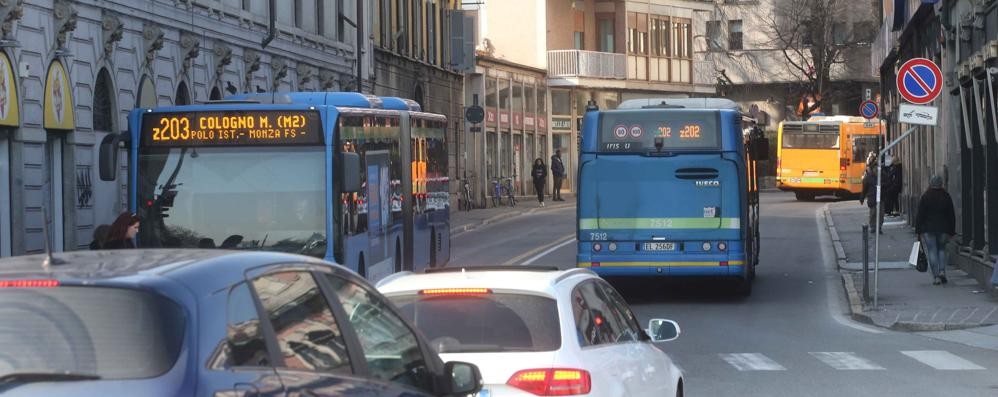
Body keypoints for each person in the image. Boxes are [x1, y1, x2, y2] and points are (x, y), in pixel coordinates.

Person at [915, 175, 956, 285]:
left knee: (932, 251)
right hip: (943, 229)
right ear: (941, 183)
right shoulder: (946, 196)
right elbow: (951, 215)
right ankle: (942, 271)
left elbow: (920, 215)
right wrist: (952, 231)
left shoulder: (926, 196)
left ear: (931, 183)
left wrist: (918, 230)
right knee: (942, 249)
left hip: (928, 229)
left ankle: (936, 276)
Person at [860, 153, 883, 234]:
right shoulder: (869, 177)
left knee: (880, 213)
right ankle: (873, 227)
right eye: (875, 168)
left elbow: (887, 183)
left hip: (881, 197)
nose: (876, 170)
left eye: (878, 168)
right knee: (873, 213)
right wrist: (862, 198)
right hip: (872, 197)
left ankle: (879, 227)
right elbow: (864, 189)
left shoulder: (881, 176)